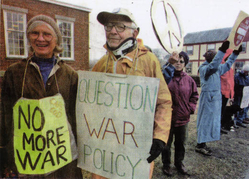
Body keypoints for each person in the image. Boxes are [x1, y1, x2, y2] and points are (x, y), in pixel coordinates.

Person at [92, 8, 172, 179]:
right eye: (109, 26)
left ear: (134, 32)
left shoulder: (148, 60)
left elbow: (163, 102)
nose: (113, 31)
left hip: (136, 147)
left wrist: (160, 136)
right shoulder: (101, 63)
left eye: (120, 27)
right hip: (105, 147)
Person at [0, 15, 82, 178]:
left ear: (56, 39)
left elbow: (76, 118)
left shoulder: (70, 75)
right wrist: (4, 154)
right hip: (27, 160)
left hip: (61, 162)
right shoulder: (15, 73)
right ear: (29, 37)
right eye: (34, 33)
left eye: (47, 34)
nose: (40, 39)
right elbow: (5, 115)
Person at [195, 41, 242, 156]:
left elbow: (226, 65)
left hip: (214, 98)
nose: (218, 58)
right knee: (205, 121)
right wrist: (222, 51)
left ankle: (203, 142)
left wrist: (235, 54)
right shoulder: (205, 68)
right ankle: (200, 145)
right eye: (216, 56)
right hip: (208, 98)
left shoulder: (215, 68)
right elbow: (214, 65)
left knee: (211, 121)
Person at [161, 51, 199, 176]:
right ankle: (166, 165)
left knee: (181, 143)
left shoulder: (189, 80)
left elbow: (194, 96)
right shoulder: (166, 77)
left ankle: (179, 163)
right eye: (176, 61)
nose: (178, 63)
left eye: (181, 61)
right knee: (166, 143)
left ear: (185, 64)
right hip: (167, 117)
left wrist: (190, 109)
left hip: (183, 118)